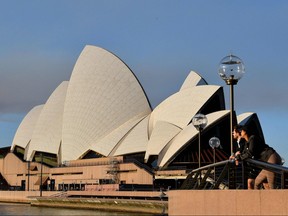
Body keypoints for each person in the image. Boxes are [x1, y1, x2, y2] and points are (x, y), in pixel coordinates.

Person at [231, 125, 257, 189]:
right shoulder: (238, 143)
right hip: (245, 168)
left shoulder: (245, 141)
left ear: (239, 132)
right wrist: (235, 156)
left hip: (251, 167)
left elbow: (247, 153)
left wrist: (236, 156)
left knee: (251, 183)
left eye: (234, 131)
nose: (232, 133)